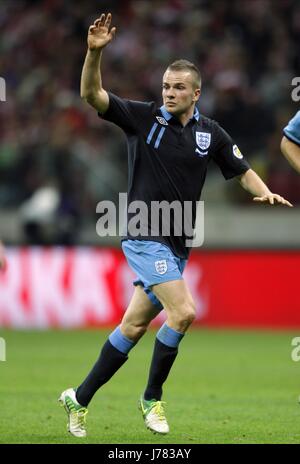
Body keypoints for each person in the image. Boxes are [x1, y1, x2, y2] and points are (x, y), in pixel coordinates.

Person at [59, 13, 293, 438]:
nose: (169, 93)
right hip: (144, 232)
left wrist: (263, 190)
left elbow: (239, 169)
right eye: (166, 86)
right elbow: (92, 95)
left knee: (132, 326)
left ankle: (79, 397)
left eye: (178, 87)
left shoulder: (210, 133)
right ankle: (151, 399)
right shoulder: (143, 117)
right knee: (183, 312)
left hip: (178, 241)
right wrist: (93, 53)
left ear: (196, 93)